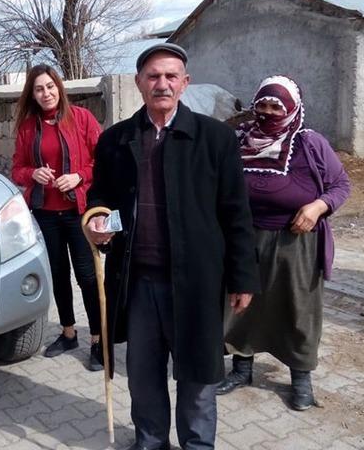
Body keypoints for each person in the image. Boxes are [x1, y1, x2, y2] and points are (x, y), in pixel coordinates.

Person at [85, 43, 260, 450]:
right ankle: (151, 442)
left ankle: (198, 445)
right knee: (143, 375)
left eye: (170, 76)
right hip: (138, 280)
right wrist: (96, 219)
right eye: (152, 76)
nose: (161, 84)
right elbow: (100, 195)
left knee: (198, 377)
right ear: (138, 83)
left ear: (184, 83)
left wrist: (243, 276)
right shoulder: (116, 140)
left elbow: (237, 213)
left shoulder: (215, 139)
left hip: (197, 282)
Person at [217, 75, 351, 411]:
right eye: (262, 104)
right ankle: (241, 368)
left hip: (296, 242)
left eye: (276, 105)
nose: (268, 111)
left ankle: (301, 378)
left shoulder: (309, 143)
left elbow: (340, 185)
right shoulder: (238, 141)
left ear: (292, 108)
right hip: (245, 238)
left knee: (298, 309)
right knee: (240, 305)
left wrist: (319, 206)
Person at [10, 64, 103, 370]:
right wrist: (32, 173)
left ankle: (98, 340)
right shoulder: (27, 127)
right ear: (32, 94)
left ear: (59, 87)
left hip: (77, 212)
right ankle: (68, 332)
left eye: (50, 86)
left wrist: (78, 177)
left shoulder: (81, 118)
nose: (46, 93)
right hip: (45, 213)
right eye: (39, 89)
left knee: (87, 276)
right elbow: (17, 168)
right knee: (59, 275)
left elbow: (101, 160)